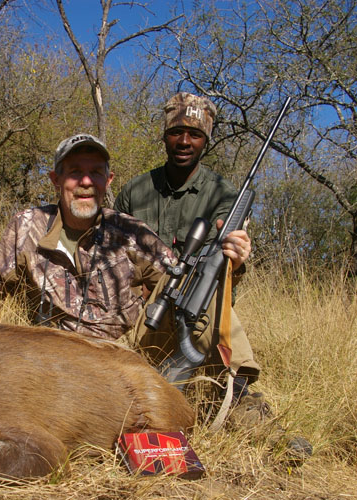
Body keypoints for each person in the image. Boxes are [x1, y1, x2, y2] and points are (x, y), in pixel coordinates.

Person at [114, 92, 311, 457]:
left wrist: (237, 258)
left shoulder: (224, 195)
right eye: (177, 132)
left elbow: (224, 271)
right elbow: (114, 260)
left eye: (195, 134)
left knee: (219, 347)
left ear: (207, 140)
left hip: (195, 312)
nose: (184, 141)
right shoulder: (134, 191)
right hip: (141, 314)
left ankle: (264, 429)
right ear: (164, 135)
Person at [0, 133, 174, 341]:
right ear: (56, 179)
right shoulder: (26, 227)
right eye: (75, 172)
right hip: (54, 363)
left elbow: (177, 283)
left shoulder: (132, 231)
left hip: (120, 361)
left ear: (108, 180)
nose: (86, 181)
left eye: (96, 172)